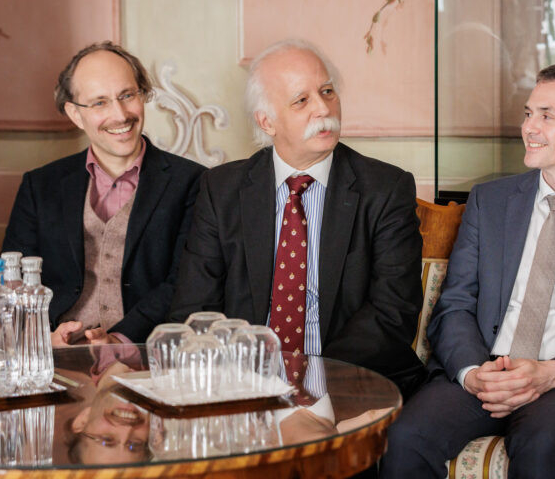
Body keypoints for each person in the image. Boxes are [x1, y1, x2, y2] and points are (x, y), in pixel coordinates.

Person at [380, 62, 555, 479]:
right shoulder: (490, 201)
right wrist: (472, 373)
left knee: (540, 450)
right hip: (483, 371)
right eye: (529, 113)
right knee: (404, 438)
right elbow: (455, 304)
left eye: (547, 116)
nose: (529, 127)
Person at [170, 39, 425, 399]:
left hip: (349, 381)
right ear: (267, 122)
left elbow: (393, 314)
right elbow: (195, 309)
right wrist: (245, 385)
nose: (323, 108)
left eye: (327, 92)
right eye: (301, 100)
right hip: (244, 384)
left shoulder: (385, 189)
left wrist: (310, 382)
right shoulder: (221, 190)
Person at [3, 42, 205, 345]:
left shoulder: (193, 182)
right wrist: (43, 337)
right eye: (99, 103)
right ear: (75, 114)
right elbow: (14, 281)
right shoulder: (40, 185)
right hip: (55, 353)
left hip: (146, 354)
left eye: (127, 95)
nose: (120, 114)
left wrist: (122, 339)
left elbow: (185, 282)